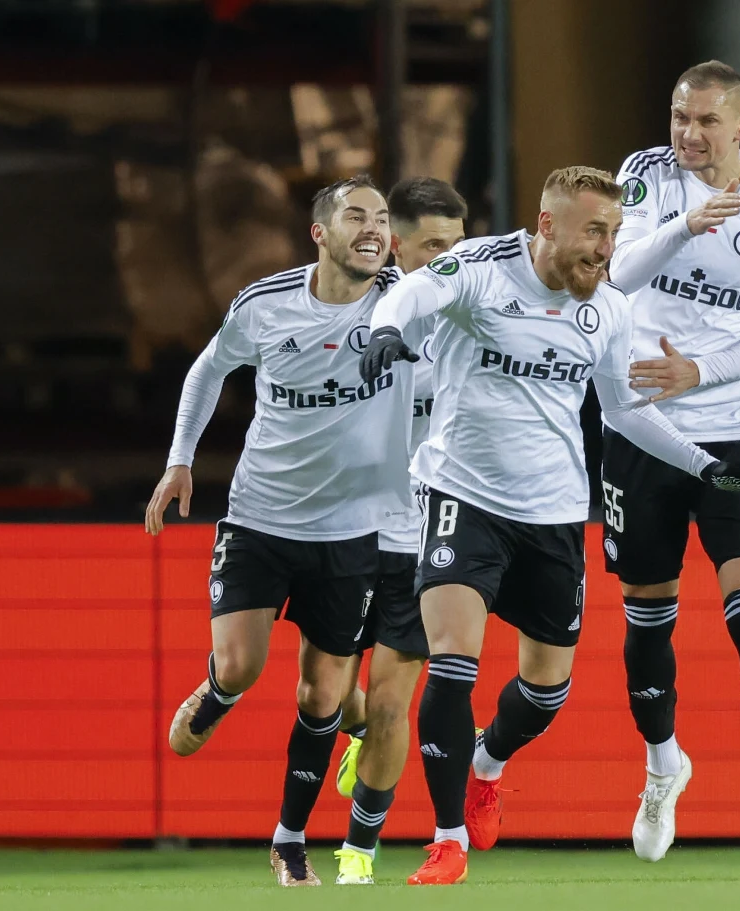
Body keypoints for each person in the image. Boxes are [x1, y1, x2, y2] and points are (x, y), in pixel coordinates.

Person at [356, 165, 740, 886]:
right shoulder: (484, 268)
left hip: (552, 515)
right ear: (547, 224)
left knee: (546, 691)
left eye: (615, 233)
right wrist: (385, 330)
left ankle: (487, 764)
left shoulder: (608, 310)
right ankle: (447, 840)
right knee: (452, 661)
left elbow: (625, 411)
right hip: (460, 494)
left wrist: (704, 465)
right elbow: (415, 291)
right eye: (595, 232)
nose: (608, 249)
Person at [144, 176, 410, 886]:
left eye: (382, 218)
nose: (373, 228)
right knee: (240, 665)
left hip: (351, 532)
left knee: (321, 696)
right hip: (261, 517)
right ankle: (220, 691)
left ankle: (289, 842)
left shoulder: (403, 302)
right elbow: (207, 370)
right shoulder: (266, 304)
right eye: (356, 216)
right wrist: (179, 461)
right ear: (319, 233)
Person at [602, 60, 740, 869]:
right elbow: (615, 276)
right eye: (679, 117)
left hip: (732, 437)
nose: (688, 134)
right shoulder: (644, 175)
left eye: (706, 121)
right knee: (646, 619)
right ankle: (663, 767)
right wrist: (684, 228)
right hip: (639, 430)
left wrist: (698, 371)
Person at [330, 177, 468, 886]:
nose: (452, 259)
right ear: (396, 246)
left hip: (423, 536)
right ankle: (351, 730)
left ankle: (359, 850)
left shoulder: (478, 310)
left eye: (459, 243)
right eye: (435, 246)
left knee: (391, 702)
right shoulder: (352, 306)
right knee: (329, 694)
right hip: (347, 526)